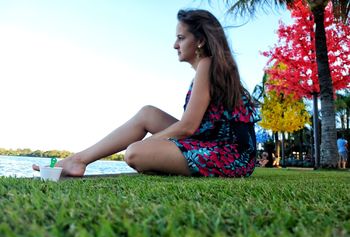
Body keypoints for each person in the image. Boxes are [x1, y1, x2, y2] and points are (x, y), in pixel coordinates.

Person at [33, 9, 260, 178]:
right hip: (216, 143)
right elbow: (194, 127)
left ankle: (79, 161)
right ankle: (78, 160)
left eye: (181, 38)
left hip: (231, 156)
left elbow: (187, 127)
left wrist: (151, 144)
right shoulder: (209, 67)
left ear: (200, 41)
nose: (174, 45)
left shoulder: (207, 65)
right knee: (148, 113)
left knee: (135, 153)